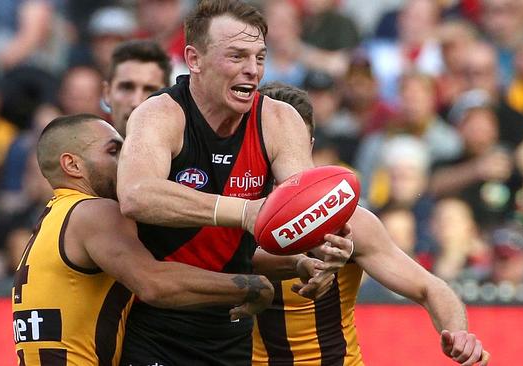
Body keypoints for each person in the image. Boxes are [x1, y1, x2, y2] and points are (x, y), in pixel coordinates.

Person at [116, 1, 354, 364]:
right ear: (194, 60)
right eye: (237, 56)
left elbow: (300, 210)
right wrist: (244, 211)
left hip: (233, 327)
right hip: (154, 326)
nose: (253, 71)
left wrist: (322, 251)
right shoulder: (160, 113)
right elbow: (136, 195)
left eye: (260, 57)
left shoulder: (278, 118)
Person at [12, 114, 284, 365]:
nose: (128, 161)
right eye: (113, 151)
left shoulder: (54, 218)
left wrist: (294, 263)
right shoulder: (95, 212)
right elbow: (153, 283)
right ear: (73, 165)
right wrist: (249, 287)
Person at [253, 82, 490, 366]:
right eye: (274, 138)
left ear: (311, 145)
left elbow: (430, 288)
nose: (283, 151)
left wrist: (459, 333)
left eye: (294, 141)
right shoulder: (231, 211)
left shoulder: (348, 220)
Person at [103, 39, 171, 137]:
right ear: (107, 93)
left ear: (169, 98)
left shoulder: (196, 151)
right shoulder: (80, 152)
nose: (136, 102)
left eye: (150, 90)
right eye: (127, 88)